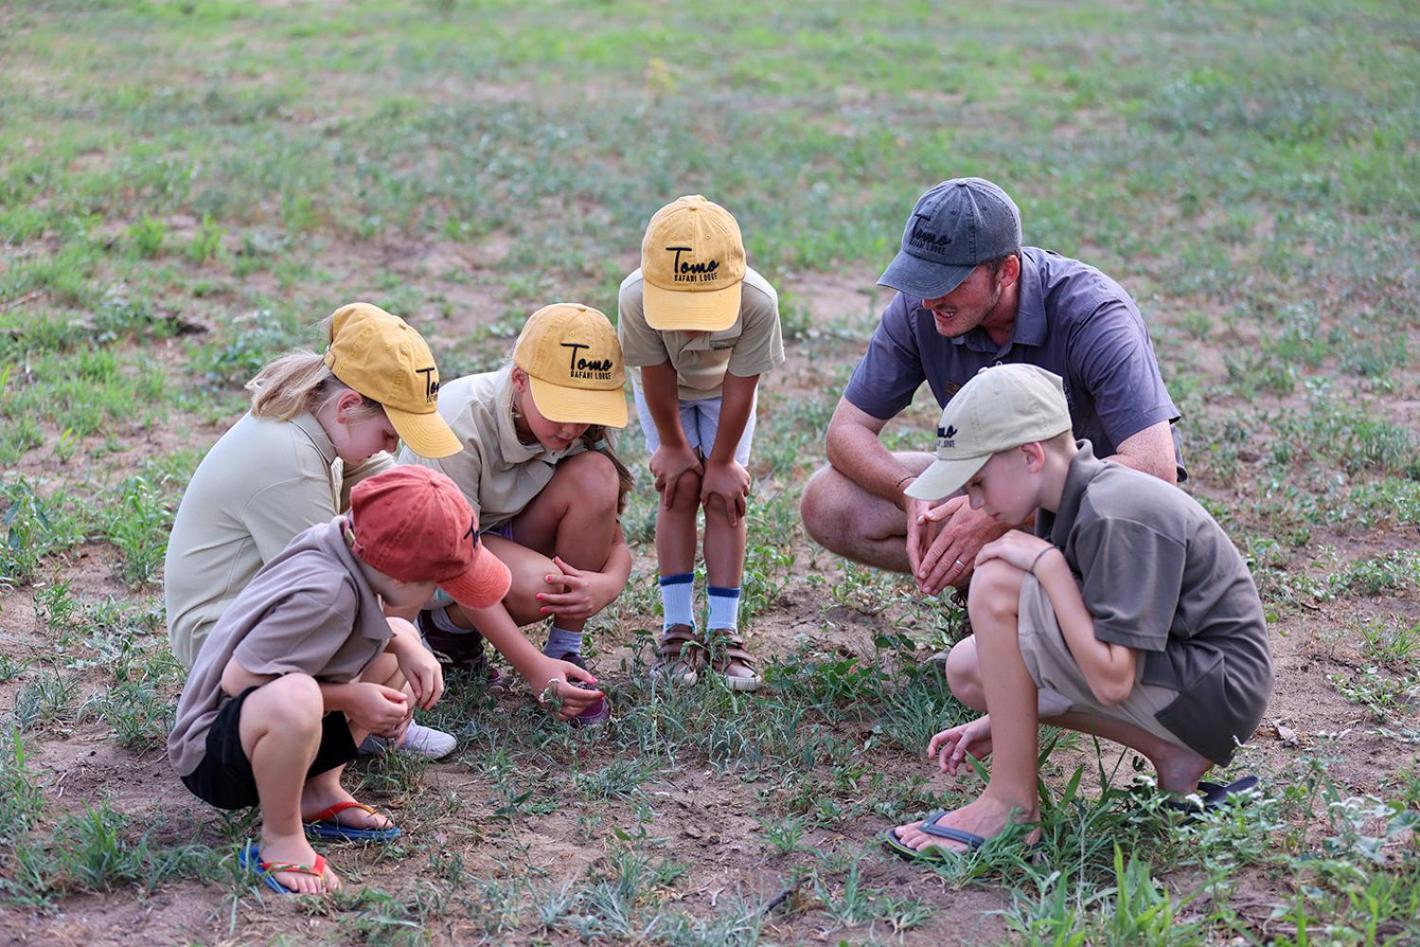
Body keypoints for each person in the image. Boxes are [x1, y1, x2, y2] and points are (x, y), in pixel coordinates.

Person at [883, 364, 1271, 859]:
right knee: (970, 667)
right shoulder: (1070, 499)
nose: (974, 504)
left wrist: (1046, 564)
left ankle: (1010, 808)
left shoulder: (1115, 509)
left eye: (978, 482)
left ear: (1030, 455)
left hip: (1216, 693)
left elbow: (1112, 680)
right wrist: (1006, 719)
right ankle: (1173, 753)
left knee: (998, 583)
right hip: (1189, 686)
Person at [800, 177, 1184, 603]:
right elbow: (845, 431)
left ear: (1007, 271)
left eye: (950, 281)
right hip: (993, 490)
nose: (929, 301)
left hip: (1097, 510)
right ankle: (994, 601)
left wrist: (1007, 512)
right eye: (921, 278)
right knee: (829, 501)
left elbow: (1154, 469)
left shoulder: (1094, 314)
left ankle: (1034, 607)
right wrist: (906, 490)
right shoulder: (921, 308)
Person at [168, 466, 521, 894]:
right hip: (213, 753)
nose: (434, 596)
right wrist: (352, 699)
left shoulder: (347, 543)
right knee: (296, 697)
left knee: (401, 639)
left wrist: (407, 643)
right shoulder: (326, 592)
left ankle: (318, 794)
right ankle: (281, 840)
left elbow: (372, 630)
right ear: (400, 578)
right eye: (436, 586)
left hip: (262, 725)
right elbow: (242, 680)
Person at [164, 302, 464, 757]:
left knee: (392, 606)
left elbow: (392, 491)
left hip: (249, 612)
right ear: (348, 406)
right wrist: (405, 635)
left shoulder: (321, 421)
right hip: (218, 637)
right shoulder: (290, 460)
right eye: (389, 433)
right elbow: (327, 585)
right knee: (381, 613)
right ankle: (355, 724)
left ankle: (363, 717)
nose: (393, 446)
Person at [401, 302, 633, 726]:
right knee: (540, 585)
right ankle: (442, 629)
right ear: (520, 380)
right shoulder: (460, 418)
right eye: (561, 407)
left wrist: (608, 583)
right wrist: (532, 671)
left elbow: (613, 535)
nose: (572, 427)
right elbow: (457, 562)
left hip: (494, 538)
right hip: (430, 568)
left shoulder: (576, 429)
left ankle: (564, 649)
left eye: (586, 412)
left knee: (598, 475)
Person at [618, 195, 784, 690]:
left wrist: (726, 460)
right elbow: (656, 373)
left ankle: (723, 632)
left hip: (724, 393)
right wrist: (672, 447)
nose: (691, 322)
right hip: (665, 392)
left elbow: (741, 384)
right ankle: (677, 630)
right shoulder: (635, 298)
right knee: (680, 487)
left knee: (724, 496)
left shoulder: (757, 301)